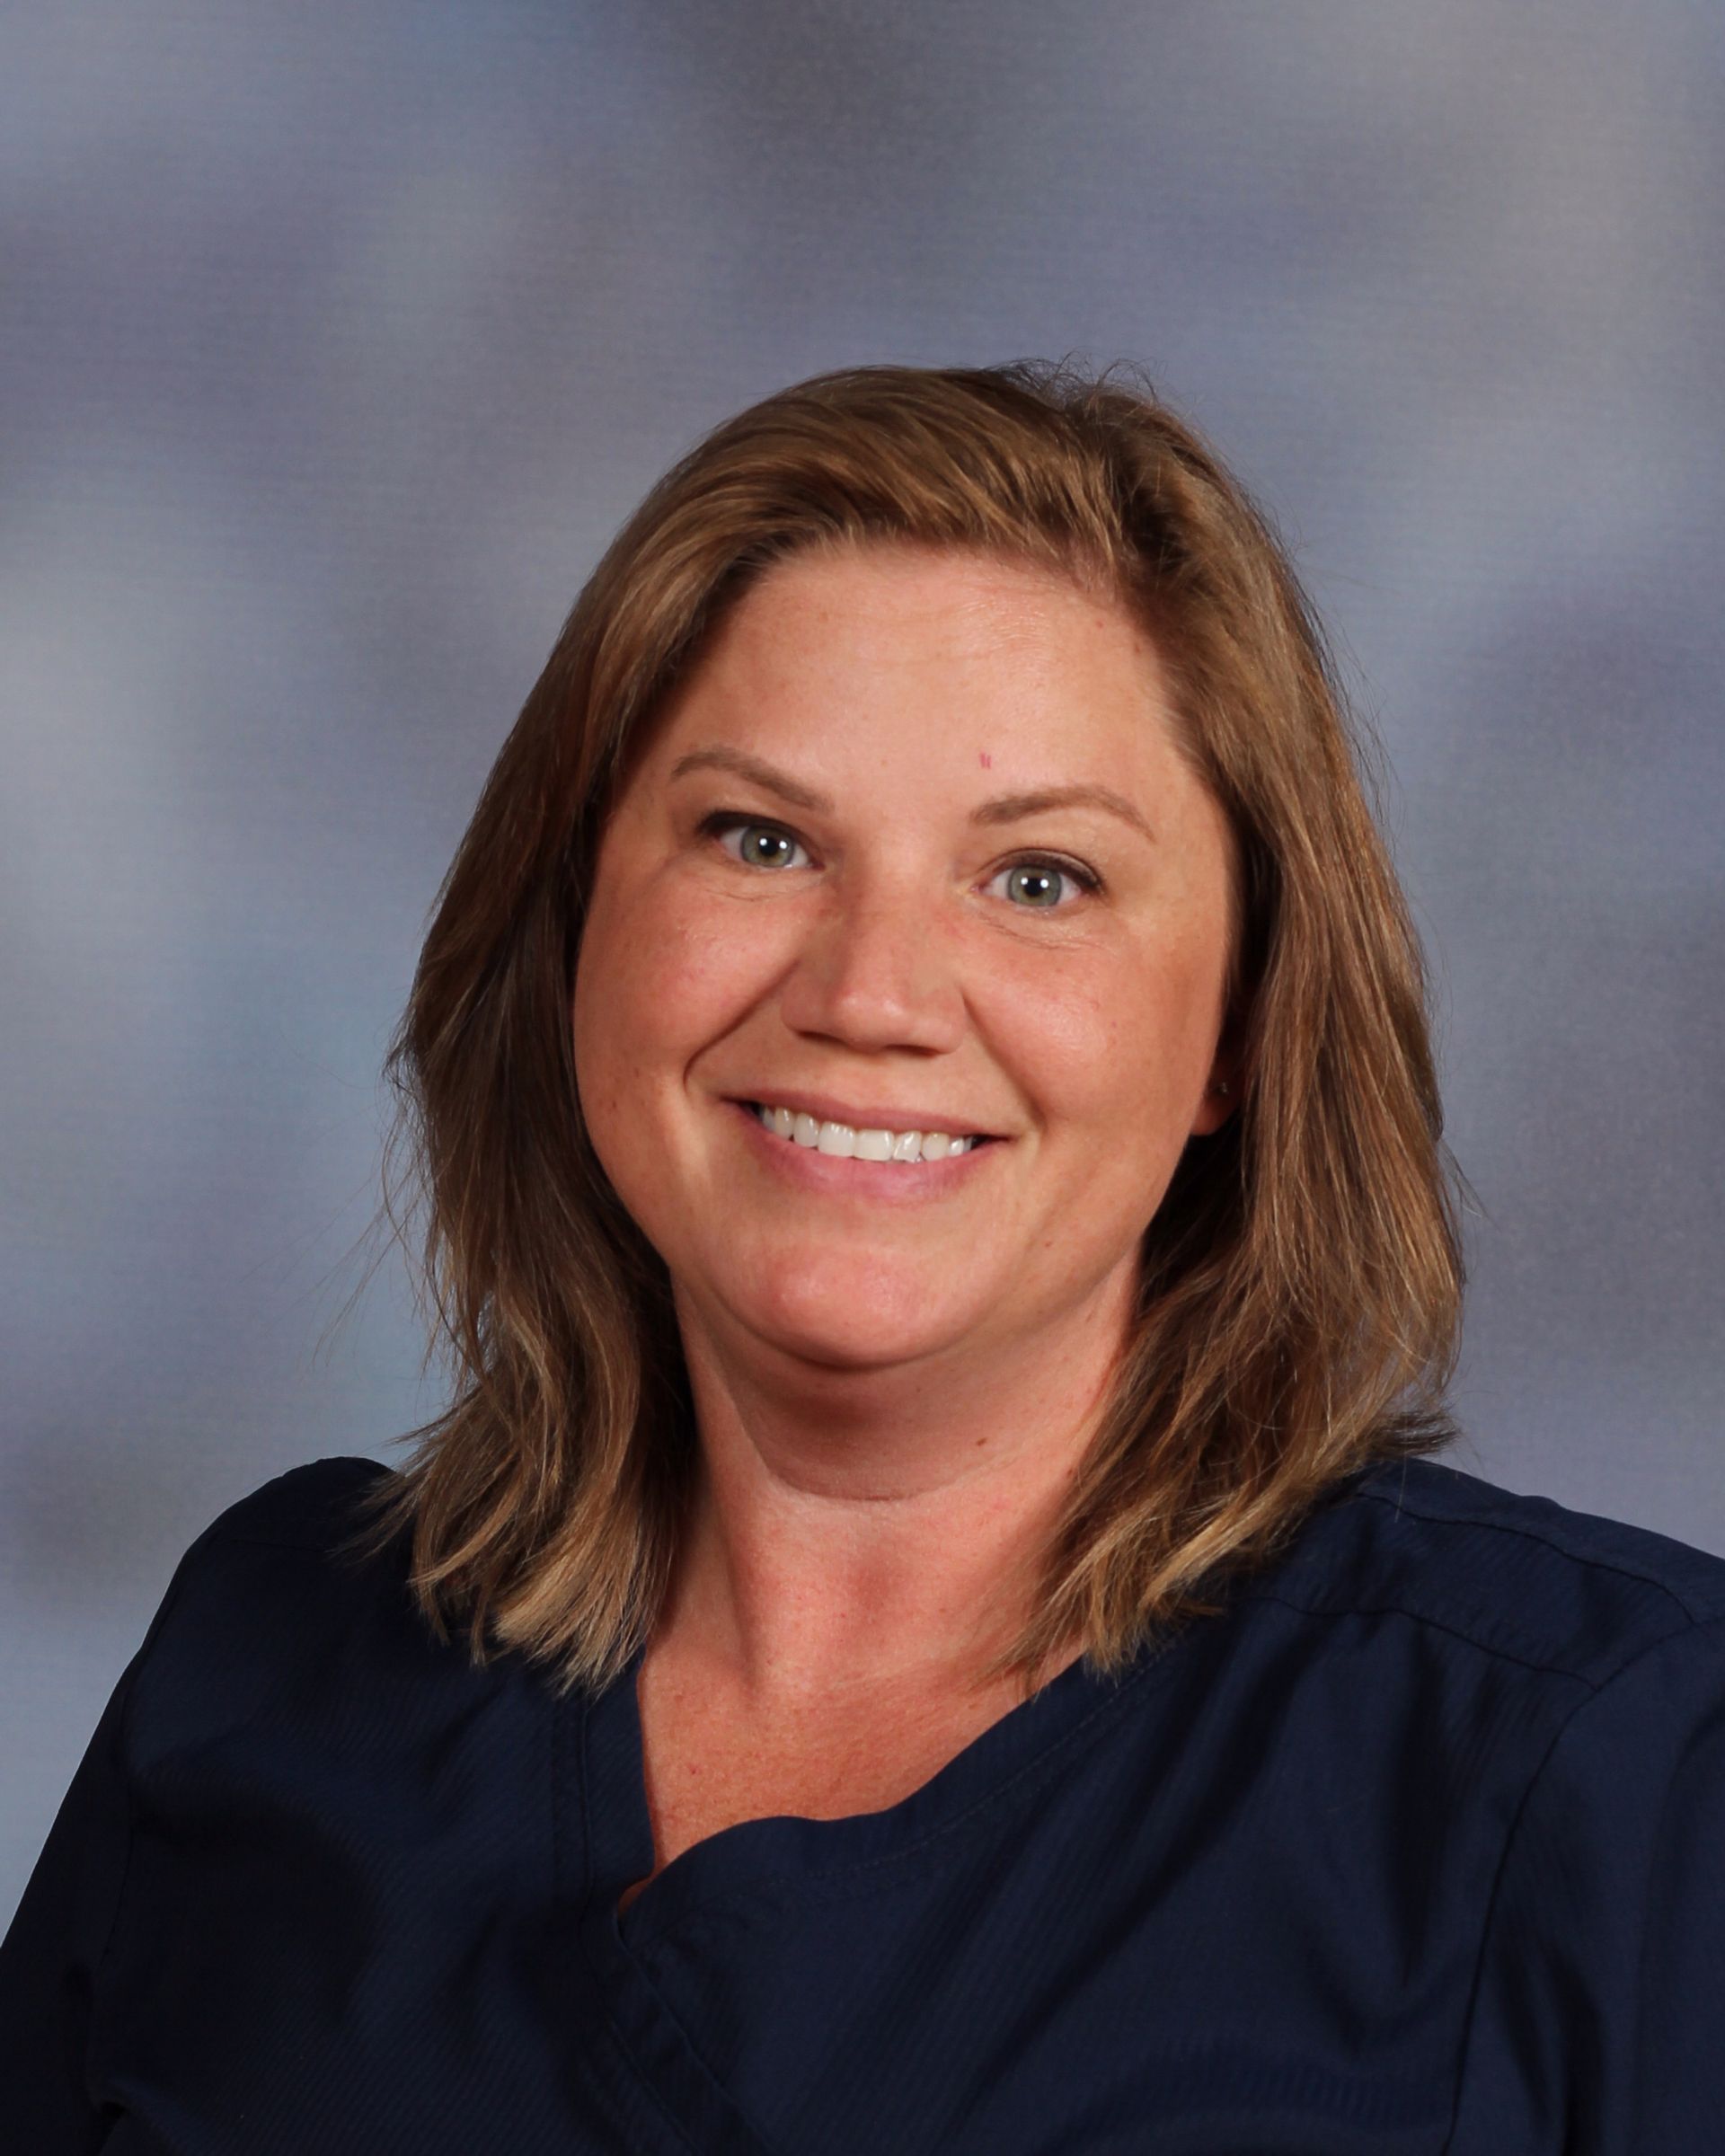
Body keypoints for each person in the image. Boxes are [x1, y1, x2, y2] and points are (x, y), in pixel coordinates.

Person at [3, 361, 1721, 2153]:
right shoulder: (273, 1657)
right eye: (760, 841)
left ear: (1239, 1032)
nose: (870, 995)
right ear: (576, 926)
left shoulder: (1624, 1771)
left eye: (1041, 878)